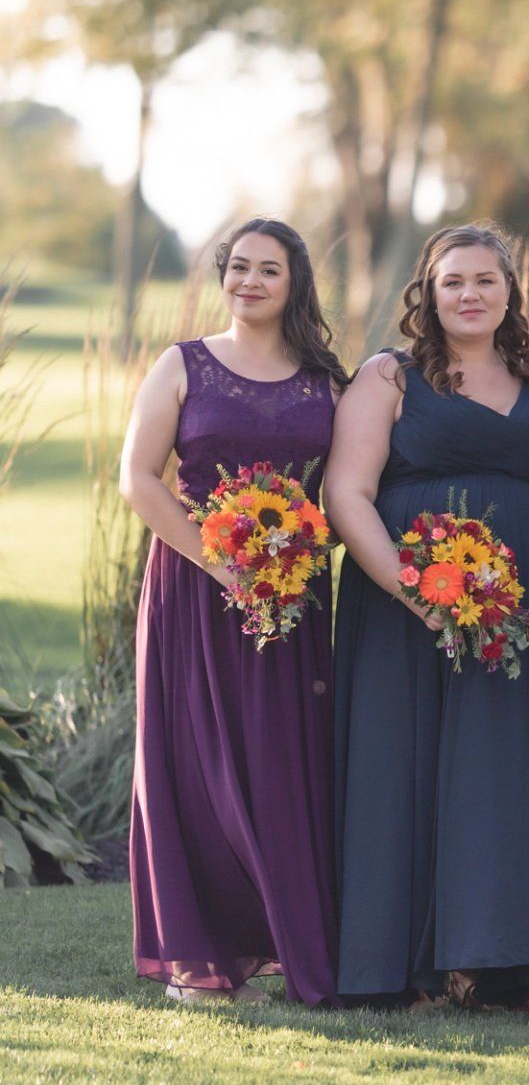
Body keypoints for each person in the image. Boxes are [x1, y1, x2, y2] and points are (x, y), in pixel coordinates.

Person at [329, 223, 529, 1006]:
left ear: (510, 293)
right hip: (404, 608)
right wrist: (412, 589)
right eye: (452, 282)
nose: (469, 295)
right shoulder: (390, 378)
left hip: (519, 610)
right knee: (403, 764)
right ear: (428, 295)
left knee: (499, 773)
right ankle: (397, 965)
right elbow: (346, 493)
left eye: (485, 282)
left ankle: (493, 961)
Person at [119, 217, 345, 1005]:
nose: (250, 281)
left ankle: (284, 942)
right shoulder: (181, 365)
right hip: (195, 587)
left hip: (296, 598)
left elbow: (346, 494)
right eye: (238, 267)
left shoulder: (327, 380)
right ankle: (201, 956)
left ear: (295, 284)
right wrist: (221, 564)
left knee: (286, 763)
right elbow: (140, 479)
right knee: (197, 763)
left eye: (268, 270)